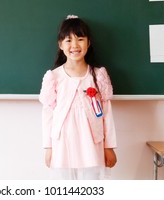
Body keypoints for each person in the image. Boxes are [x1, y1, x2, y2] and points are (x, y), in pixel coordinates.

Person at [39, 15, 117, 180]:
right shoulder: (54, 77)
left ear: (88, 43)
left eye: (80, 39)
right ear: (61, 45)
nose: (74, 45)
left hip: (92, 143)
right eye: (68, 40)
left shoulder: (98, 75)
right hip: (63, 144)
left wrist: (109, 146)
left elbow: (106, 114)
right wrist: (48, 147)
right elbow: (48, 116)